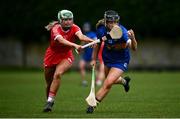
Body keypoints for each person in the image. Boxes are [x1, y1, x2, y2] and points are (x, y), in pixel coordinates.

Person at [86, 10, 137, 113]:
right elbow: (98, 44)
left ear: (117, 21)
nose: (112, 24)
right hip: (108, 58)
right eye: (110, 22)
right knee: (110, 80)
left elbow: (134, 48)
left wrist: (133, 38)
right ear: (105, 22)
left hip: (121, 60)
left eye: (115, 22)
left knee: (108, 82)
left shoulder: (122, 31)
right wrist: (94, 59)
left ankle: (93, 104)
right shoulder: (101, 30)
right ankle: (124, 81)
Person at [43, 9, 94, 112]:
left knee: (57, 74)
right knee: (49, 82)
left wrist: (92, 41)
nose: (68, 21)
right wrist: (75, 45)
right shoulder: (55, 28)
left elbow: (81, 36)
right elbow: (61, 40)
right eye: (65, 19)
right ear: (60, 20)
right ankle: (49, 99)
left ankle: (50, 102)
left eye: (70, 19)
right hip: (51, 55)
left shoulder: (75, 27)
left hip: (66, 55)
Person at [79, 22, 105, 86]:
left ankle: (97, 81)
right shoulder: (83, 35)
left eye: (87, 27)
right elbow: (82, 45)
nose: (86, 29)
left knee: (94, 68)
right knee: (81, 66)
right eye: (85, 28)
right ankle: (84, 81)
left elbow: (96, 41)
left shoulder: (92, 34)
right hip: (86, 55)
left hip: (92, 54)